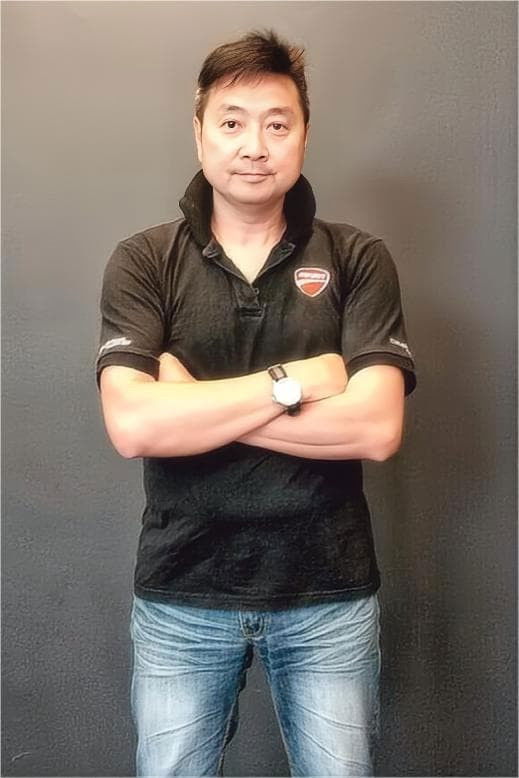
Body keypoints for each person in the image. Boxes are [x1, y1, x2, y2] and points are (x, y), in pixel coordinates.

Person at [96, 29, 416, 778]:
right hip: (181, 595)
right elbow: (134, 424)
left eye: (277, 124)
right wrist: (297, 382)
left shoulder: (357, 258)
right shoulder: (144, 261)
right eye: (232, 122)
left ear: (303, 134)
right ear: (199, 132)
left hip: (329, 595)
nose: (254, 146)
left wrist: (192, 407)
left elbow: (375, 427)